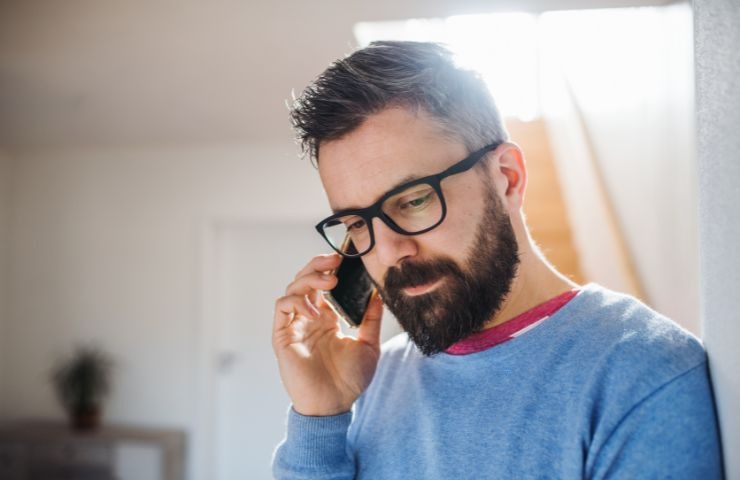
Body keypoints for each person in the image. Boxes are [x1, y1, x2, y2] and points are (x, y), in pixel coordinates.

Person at [271, 41, 723, 479]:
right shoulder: (371, 380)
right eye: (356, 223)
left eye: (412, 201)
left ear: (507, 178)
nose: (388, 251)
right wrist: (320, 419)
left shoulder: (641, 372)